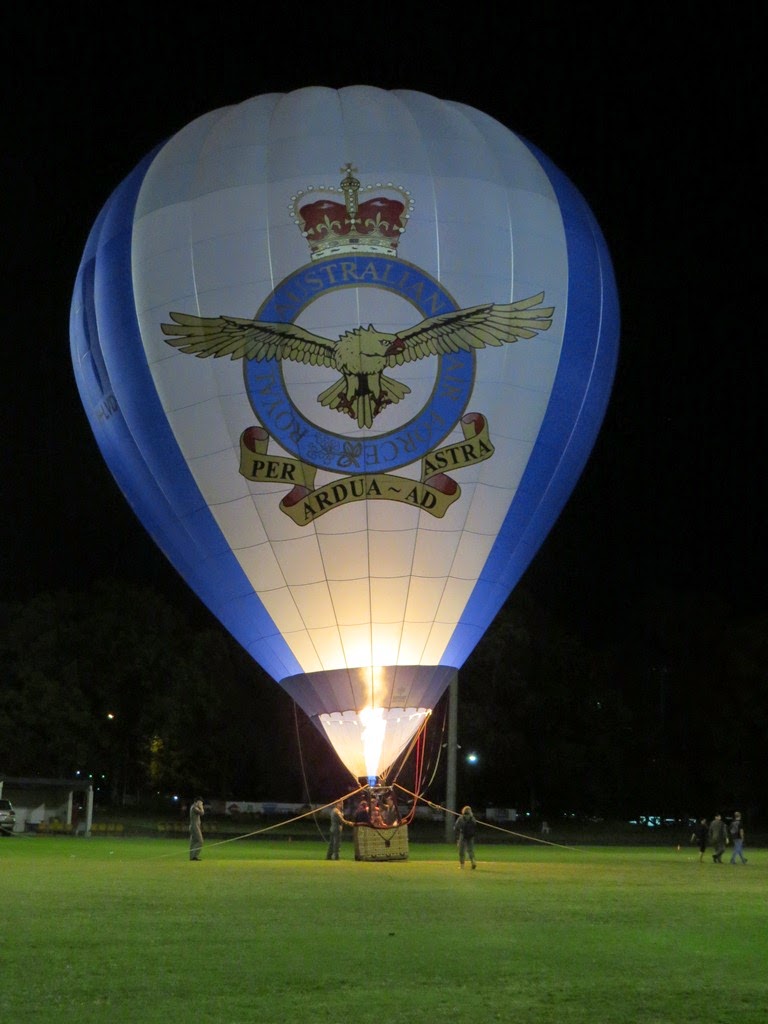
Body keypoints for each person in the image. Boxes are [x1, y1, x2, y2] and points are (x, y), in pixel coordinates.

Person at [454, 805, 477, 869]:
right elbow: (475, 825)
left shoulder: (461, 818)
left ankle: (462, 865)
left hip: (463, 835)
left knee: (461, 851)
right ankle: (473, 862)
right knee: (470, 850)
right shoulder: (472, 818)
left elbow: (456, 827)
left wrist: (457, 837)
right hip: (471, 836)